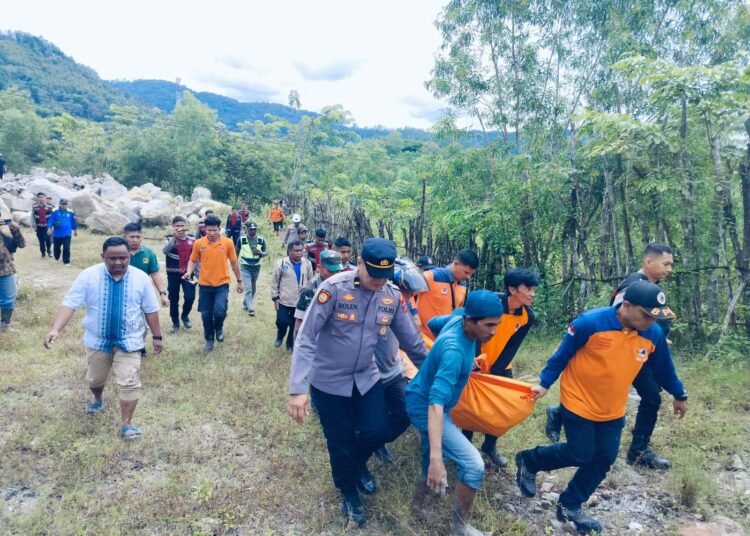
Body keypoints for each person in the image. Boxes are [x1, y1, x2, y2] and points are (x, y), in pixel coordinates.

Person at [515, 281, 687, 534]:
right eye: (647, 315)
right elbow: (562, 355)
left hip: (613, 407)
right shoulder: (590, 323)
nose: (652, 321)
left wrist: (679, 394)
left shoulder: (653, 334)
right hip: (578, 399)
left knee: (604, 457)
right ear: (626, 306)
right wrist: (544, 383)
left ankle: (570, 504)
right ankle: (530, 460)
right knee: (580, 453)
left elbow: (664, 368)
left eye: (655, 317)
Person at [288, 238, 428, 526]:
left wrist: (433, 374)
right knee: (339, 442)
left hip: (367, 378)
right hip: (328, 383)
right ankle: (348, 491)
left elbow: (412, 342)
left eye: (384, 277)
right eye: (373, 274)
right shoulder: (333, 289)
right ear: (360, 264)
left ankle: (358, 463)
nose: (378, 282)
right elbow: (307, 338)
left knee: (377, 431)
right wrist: (297, 389)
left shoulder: (390, 295)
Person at [545, 242, 677, 470]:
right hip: (629, 353)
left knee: (648, 396)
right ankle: (638, 450)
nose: (669, 269)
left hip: (643, 351)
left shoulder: (652, 288)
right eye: (666, 263)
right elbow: (620, 321)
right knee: (649, 397)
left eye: (671, 265)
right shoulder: (633, 288)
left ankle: (559, 413)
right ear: (649, 262)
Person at [42, 237, 163, 440]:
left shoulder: (141, 278)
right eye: (112, 258)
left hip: (130, 340)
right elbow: (70, 303)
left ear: (129, 256)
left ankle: (126, 425)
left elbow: (151, 310)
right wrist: (55, 329)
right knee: (95, 379)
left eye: (123, 258)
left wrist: (157, 337)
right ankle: (97, 397)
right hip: (97, 340)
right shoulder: (89, 276)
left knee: (129, 381)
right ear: (103, 257)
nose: (118, 263)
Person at [406, 290, 504, 536]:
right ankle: (460, 527)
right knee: (473, 465)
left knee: (432, 455)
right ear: (469, 321)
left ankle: (417, 507)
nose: (493, 331)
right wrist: (438, 461)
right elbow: (435, 404)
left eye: (497, 325)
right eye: (488, 325)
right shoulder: (454, 353)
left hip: (422, 396)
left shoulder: (458, 317)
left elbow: (433, 323)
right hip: (426, 406)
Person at [462, 268, 539, 468]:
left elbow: (513, 346)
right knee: (471, 406)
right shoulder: (492, 305)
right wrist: (476, 361)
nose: (532, 293)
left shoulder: (527, 317)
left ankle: (489, 446)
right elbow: (473, 332)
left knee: (502, 408)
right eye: (528, 289)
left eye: (533, 289)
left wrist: (496, 371)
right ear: (512, 289)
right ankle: (464, 448)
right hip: (476, 361)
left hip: (502, 365)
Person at [371, 257, 430, 464]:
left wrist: (430, 368)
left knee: (406, 413)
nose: (408, 296)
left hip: (393, 369)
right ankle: (367, 448)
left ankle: (376, 442)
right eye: (407, 292)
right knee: (371, 421)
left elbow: (412, 338)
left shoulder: (402, 303)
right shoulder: (371, 302)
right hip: (369, 374)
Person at [183, 215, 244, 352]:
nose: (211, 233)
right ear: (205, 229)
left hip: (222, 284)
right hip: (205, 284)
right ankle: (209, 339)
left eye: (214, 230)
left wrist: (239, 281)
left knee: (219, 312)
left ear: (219, 229)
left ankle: (219, 327)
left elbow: (234, 263)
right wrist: (189, 272)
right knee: (205, 315)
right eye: (208, 230)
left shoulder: (227, 243)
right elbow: (193, 260)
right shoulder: (199, 243)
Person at [416, 249, 479, 338]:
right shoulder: (432, 276)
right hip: (423, 339)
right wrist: (413, 313)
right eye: (466, 272)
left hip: (446, 341)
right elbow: (406, 294)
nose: (468, 277)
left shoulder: (463, 285)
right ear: (456, 263)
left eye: (471, 274)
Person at [271, 240, 313, 350]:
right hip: (284, 300)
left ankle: (290, 344)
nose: (300, 253)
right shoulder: (282, 263)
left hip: (300, 301)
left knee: (294, 324)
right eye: (296, 251)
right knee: (281, 321)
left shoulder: (307, 264)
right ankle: (280, 335)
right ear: (290, 251)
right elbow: (275, 281)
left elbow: (310, 281)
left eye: (301, 250)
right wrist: (275, 297)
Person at [293, 249, 343, 337]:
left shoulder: (342, 286)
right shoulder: (309, 290)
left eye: (338, 271)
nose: (335, 275)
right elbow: (300, 323)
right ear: (320, 267)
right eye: (331, 271)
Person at [162, 216, 196, 333]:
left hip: (188, 273)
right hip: (173, 273)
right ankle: (175, 323)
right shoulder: (168, 238)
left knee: (190, 297)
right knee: (174, 298)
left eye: (182, 226)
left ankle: (185, 315)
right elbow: (165, 251)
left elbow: (196, 257)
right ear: (173, 227)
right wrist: (175, 238)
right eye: (177, 226)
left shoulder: (192, 238)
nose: (180, 228)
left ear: (186, 226)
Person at [124, 223, 169, 309]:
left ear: (142, 237)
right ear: (125, 237)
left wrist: (163, 294)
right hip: (123, 289)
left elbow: (155, 274)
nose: (135, 240)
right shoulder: (119, 252)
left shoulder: (149, 253)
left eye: (138, 237)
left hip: (143, 290)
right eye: (132, 237)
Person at [0, 213, 25, 330]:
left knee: (8, 300)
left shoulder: (4, 236)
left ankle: (5, 324)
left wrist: (16, 231)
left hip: (6, 271)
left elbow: (21, 244)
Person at [238, 221, 268, 316]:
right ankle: (250, 308)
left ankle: (245, 303)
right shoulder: (241, 239)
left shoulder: (260, 240)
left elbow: (266, 252)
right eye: (251, 229)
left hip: (256, 267)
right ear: (247, 229)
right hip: (245, 266)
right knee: (248, 288)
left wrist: (260, 253)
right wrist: (233, 263)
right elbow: (236, 251)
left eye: (254, 229)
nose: (253, 231)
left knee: (253, 287)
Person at [47, 199, 77, 265]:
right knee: (56, 248)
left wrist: (75, 230)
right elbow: (51, 220)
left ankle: (66, 261)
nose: (64, 205)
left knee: (66, 248)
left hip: (67, 233)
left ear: (67, 205)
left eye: (65, 204)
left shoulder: (70, 212)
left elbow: (73, 221)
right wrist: (49, 228)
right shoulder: (54, 211)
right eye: (62, 204)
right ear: (59, 204)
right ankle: (57, 257)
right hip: (57, 234)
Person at [30, 192, 53, 258]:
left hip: (47, 226)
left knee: (48, 239)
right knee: (41, 240)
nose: (41, 198)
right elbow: (32, 216)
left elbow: (52, 217)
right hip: (38, 226)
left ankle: (49, 251)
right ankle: (43, 253)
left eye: (42, 197)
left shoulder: (50, 206)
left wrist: (51, 227)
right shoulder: (34, 206)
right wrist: (32, 225)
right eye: (39, 197)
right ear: (37, 198)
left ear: (45, 198)